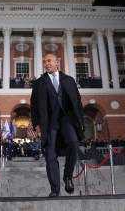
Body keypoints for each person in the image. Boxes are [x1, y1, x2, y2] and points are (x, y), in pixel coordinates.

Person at [30, 53, 85, 198]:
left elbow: (78, 103)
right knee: (50, 155)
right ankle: (55, 188)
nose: (46, 63)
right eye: (45, 61)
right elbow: (34, 106)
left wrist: (81, 122)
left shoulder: (69, 80)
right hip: (49, 122)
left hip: (67, 120)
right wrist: (36, 123)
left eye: (49, 61)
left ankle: (68, 176)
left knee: (74, 143)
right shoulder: (39, 83)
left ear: (57, 62)